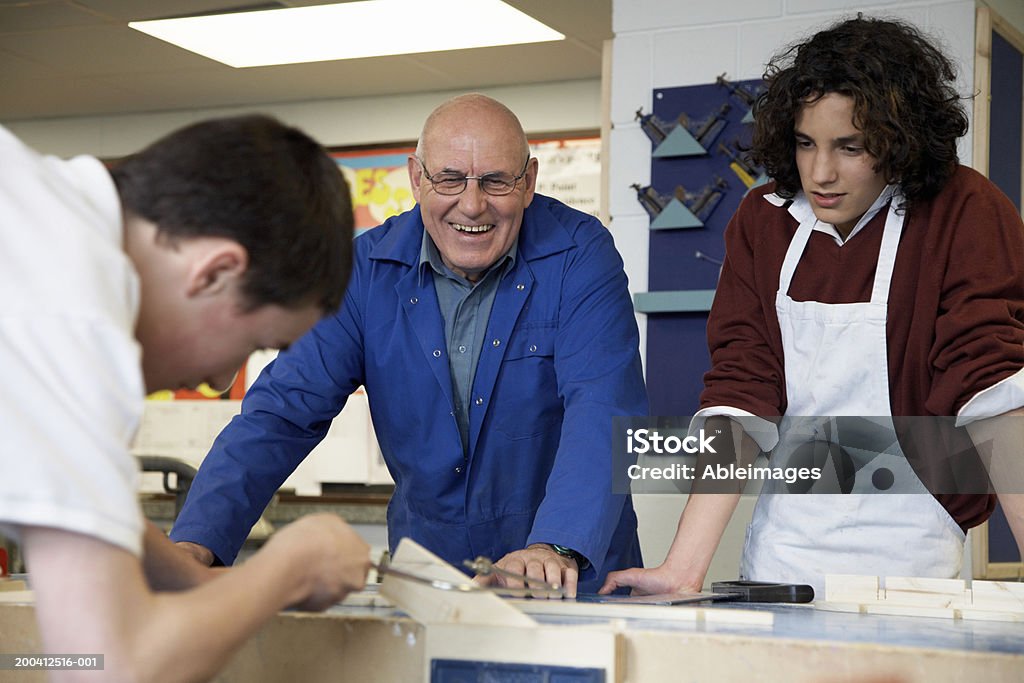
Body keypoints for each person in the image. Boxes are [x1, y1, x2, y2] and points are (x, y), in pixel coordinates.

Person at [601, 15, 1024, 598]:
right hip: (783, 554)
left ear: (898, 144)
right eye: (805, 144)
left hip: (916, 556)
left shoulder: (963, 210)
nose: (820, 174)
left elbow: (996, 395)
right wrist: (684, 567)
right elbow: (740, 393)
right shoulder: (763, 220)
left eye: (850, 148)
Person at [170, 93, 648, 597]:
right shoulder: (364, 272)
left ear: (528, 182)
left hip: (569, 572)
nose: (472, 204)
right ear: (416, 178)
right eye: (448, 179)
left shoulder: (579, 254)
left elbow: (605, 407)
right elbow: (282, 411)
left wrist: (555, 545)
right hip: (432, 576)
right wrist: (196, 542)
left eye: (495, 181)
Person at [0, 115, 371, 681]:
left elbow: (67, 490)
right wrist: (290, 568)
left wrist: (188, 576)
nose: (222, 381)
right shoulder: (76, 319)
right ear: (215, 271)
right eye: (253, 343)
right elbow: (109, 668)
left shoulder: (35, 211)